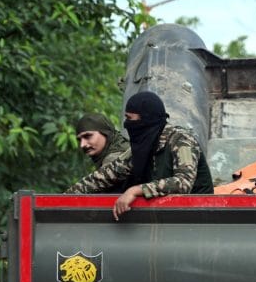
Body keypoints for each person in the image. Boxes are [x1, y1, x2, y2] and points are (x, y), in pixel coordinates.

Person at [68, 91, 214, 219]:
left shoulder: (180, 139)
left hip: (198, 218)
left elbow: (182, 183)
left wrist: (136, 190)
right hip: (167, 219)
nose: (127, 124)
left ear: (146, 119)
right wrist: (63, 199)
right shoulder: (141, 148)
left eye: (130, 119)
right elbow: (104, 176)